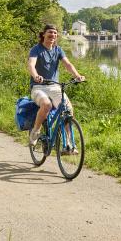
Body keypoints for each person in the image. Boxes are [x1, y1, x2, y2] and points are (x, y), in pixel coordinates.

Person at [28, 24, 85, 152]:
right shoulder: (36, 49)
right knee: (46, 105)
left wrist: (77, 76)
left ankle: (69, 145)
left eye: (55, 33)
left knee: (68, 109)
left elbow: (68, 64)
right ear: (43, 34)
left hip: (54, 86)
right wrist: (36, 76)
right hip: (38, 87)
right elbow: (31, 64)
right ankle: (36, 131)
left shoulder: (58, 50)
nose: (53, 35)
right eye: (50, 32)